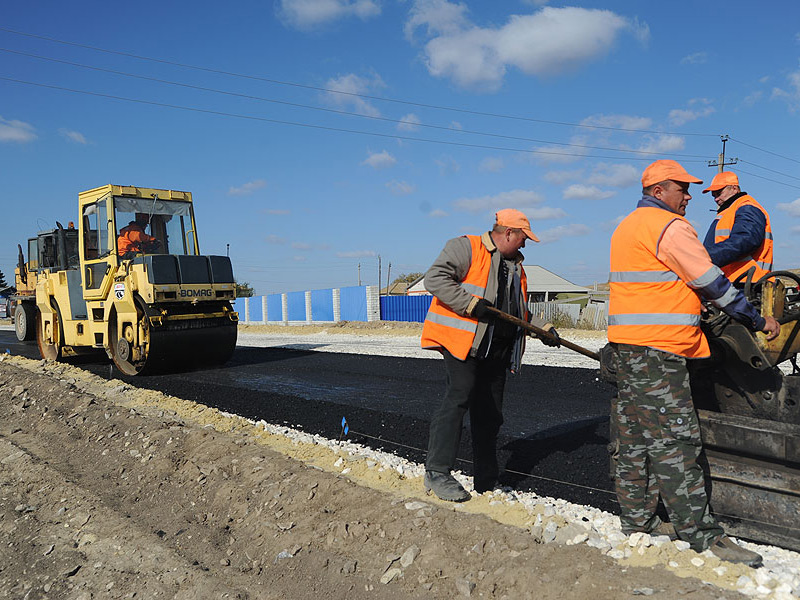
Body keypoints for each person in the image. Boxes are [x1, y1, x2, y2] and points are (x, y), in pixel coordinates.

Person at [608, 159, 780, 567]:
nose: (688, 197)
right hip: (661, 350)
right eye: (682, 189)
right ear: (658, 191)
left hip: (629, 347)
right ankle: (702, 535)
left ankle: (637, 521)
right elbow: (713, 283)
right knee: (677, 440)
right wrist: (758, 320)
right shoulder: (669, 227)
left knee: (635, 438)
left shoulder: (628, 225)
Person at [420, 208, 560, 502]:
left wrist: (542, 328)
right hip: (464, 344)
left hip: (497, 350)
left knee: (490, 414)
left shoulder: (516, 268)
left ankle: (486, 479)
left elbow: (516, 314)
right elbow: (435, 279)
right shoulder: (466, 247)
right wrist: (470, 304)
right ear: (508, 232)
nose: (524, 245)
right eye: (523, 238)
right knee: (458, 398)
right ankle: (437, 472)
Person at [702, 171, 773, 284]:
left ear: (734, 188)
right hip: (734, 280)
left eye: (719, 193)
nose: (716, 199)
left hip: (747, 281)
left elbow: (746, 240)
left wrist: (705, 257)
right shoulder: (729, 211)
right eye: (713, 195)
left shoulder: (747, 207)